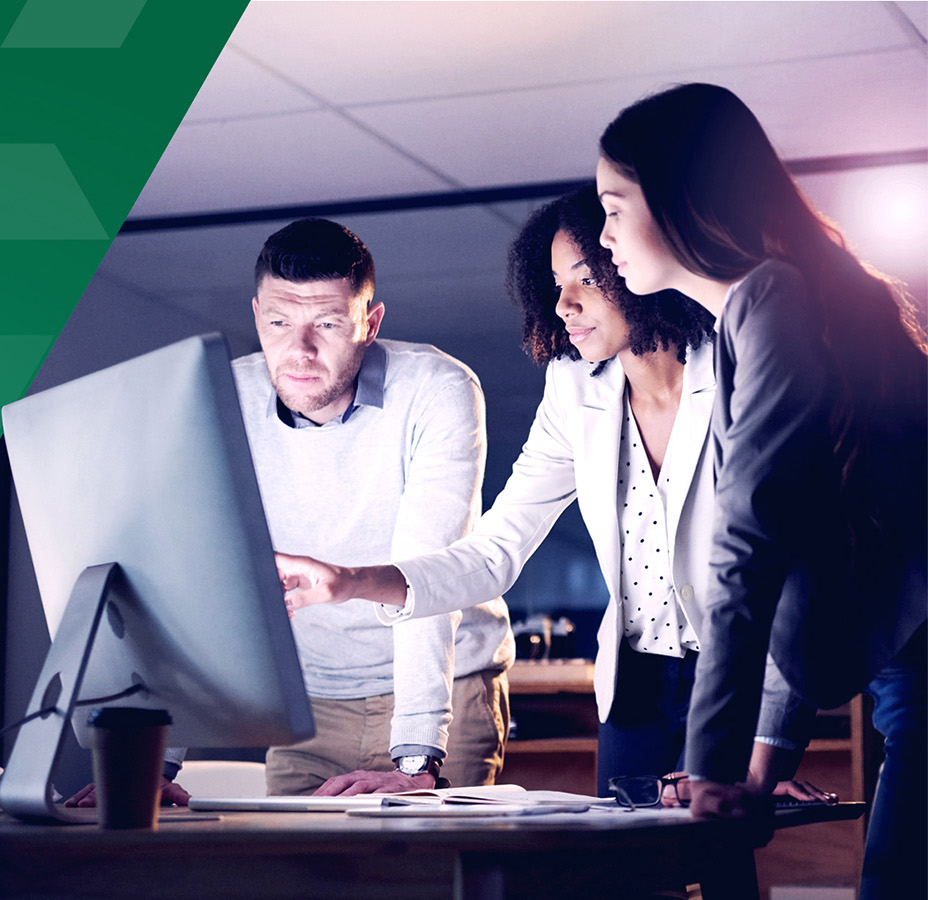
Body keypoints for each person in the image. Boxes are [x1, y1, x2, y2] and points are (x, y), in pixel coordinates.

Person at [273, 187, 829, 799]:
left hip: (738, 669)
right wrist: (354, 582)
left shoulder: (737, 370)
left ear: (638, 263)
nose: (564, 304)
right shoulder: (573, 388)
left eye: (587, 279)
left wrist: (771, 741)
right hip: (637, 682)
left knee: (725, 856)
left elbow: (793, 574)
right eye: (557, 283)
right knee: (620, 880)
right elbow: (493, 554)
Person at [595, 82, 926, 900]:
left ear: (680, 199)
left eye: (613, 205)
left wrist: (712, 769)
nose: (604, 238)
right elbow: (806, 567)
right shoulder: (783, 298)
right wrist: (751, 770)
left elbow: (752, 545)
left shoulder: (773, 298)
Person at [67, 218, 513, 808]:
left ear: (369, 324)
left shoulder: (435, 388)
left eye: (326, 324)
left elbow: (423, 574)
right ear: (256, 316)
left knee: (423, 879)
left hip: (444, 691)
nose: (299, 350)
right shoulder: (223, 397)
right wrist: (159, 759)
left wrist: (414, 758)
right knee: (295, 877)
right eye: (279, 323)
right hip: (311, 699)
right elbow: (192, 585)